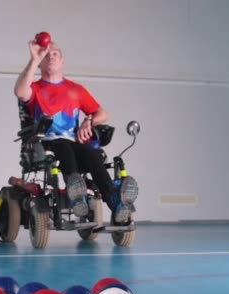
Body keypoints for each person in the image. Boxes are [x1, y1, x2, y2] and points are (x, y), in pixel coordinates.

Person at [13, 38, 137, 224]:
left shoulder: (75, 90)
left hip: (73, 142)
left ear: (62, 61)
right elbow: (20, 92)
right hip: (45, 141)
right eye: (46, 55)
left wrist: (89, 120)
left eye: (55, 53)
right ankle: (77, 194)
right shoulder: (36, 88)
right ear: (41, 62)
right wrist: (34, 60)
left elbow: (103, 114)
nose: (51, 56)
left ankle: (114, 200)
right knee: (64, 147)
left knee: (93, 154)